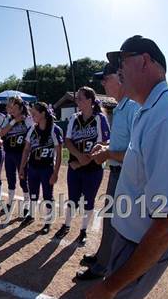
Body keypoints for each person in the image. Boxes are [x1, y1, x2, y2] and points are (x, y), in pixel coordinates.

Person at [86, 35, 168, 299]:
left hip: (140, 245)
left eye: (123, 61)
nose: (118, 71)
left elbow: (167, 225)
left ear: (145, 61)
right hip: (130, 236)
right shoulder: (147, 110)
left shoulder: (166, 118)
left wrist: (109, 287)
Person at [76, 63, 139, 281]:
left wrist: (109, 153)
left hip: (127, 174)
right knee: (109, 219)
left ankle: (104, 266)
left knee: (116, 222)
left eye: (106, 78)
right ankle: (103, 256)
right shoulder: (121, 106)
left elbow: (137, 151)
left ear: (121, 78)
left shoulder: (132, 107)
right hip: (117, 172)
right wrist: (106, 147)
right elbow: (120, 140)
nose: (103, 83)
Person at [55, 86, 110, 246]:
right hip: (75, 166)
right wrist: (79, 157)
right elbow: (68, 141)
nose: (77, 100)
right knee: (72, 198)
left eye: (80, 98)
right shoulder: (74, 118)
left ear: (90, 101)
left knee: (89, 200)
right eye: (77, 98)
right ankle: (66, 225)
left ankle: (83, 230)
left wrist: (89, 158)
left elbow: (104, 142)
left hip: (93, 167)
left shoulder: (100, 118)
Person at [19, 102, 63, 233]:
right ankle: (31, 215)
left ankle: (48, 222)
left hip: (47, 168)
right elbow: (26, 149)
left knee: (47, 195)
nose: (31, 116)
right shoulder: (32, 129)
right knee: (33, 193)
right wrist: (22, 167)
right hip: (33, 167)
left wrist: (55, 173)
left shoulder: (54, 130)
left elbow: (59, 154)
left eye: (34, 113)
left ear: (43, 113)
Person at [0, 97, 33, 210]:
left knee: (23, 179)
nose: (11, 109)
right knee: (10, 179)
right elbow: (2, 133)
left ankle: (27, 203)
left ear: (21, 107)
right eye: (9, 107)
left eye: (14, 107)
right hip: (9, 153)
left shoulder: (28, 120)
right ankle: (10, 202)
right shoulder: (8, 119)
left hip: (22, 155)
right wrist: (14, 121)